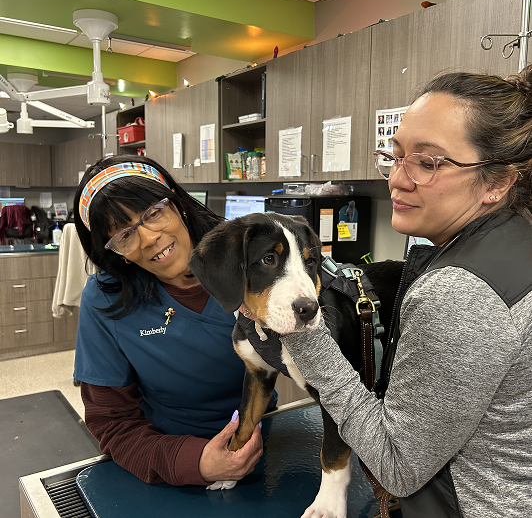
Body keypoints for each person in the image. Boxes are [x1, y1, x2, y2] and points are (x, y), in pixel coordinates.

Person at [278, 69, 532, 517]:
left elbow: (398, 466)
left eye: (427, 163)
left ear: (498, 182)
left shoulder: (459, 294)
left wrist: (300, 328)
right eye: (394, 156)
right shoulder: (519, 242)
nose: (397, 179)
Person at [73, 155, 268, 488]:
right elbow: (112, 423)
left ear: (177, 202)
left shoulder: (250, 253)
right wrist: (195, 462)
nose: (149, 238)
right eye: (124, 235)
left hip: (269, 436)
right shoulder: (106, 299)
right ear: (113, 251)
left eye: (153, 213)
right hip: (168, 454)